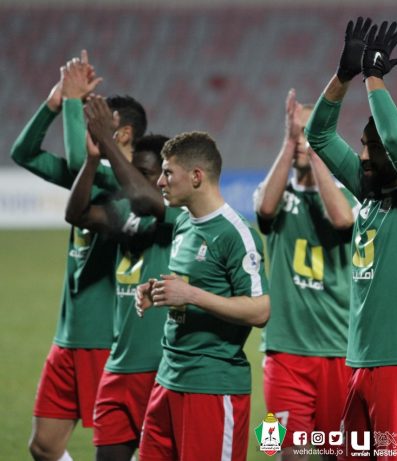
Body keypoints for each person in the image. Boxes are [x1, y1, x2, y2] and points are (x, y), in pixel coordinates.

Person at [306, 18, 397, 461]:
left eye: (372, 146)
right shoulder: (368, 193)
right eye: (362, 145)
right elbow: (318, 135)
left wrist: (374, 77)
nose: (363, 154)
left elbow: (396, 141)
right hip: (362, 363)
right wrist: (343, 76)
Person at [10, 53, 147, 461]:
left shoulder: (132, 187)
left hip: (108, 340)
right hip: (69, 337)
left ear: (122, 133)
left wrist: (72, 102)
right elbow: (24, 153)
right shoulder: (91, 176)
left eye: (99, 121)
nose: (89, 127)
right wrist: (54, 103)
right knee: (44, 446)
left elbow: (75, 159)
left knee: (131, 449)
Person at [135, 131, 270, 461]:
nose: (160, 182)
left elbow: (260, 310)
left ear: (196, 176)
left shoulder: (236, 234)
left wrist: (191, 294)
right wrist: (160, 292)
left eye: (168, 173)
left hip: (212, 387)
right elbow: (192, 287)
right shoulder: (184, 223)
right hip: (168, 379)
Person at [64, 95, 177, 461]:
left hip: (162, 369)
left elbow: (146, 199)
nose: (136, 182)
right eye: (136, 173)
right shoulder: (126, 214)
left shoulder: (178, 218)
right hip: (118, 367)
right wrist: (93, 159)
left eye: (147, 174)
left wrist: (107, 140)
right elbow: (78, 215)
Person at [254, 88, 357, 460]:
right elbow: (264, 211)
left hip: (339, 350)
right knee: (283, 450)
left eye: (309, 133)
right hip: (283, 351)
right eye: (297, 132)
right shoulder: (276, 191)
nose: (301, 140)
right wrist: (289, 142)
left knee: (339, 452)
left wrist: (315, 151)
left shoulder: (351, 196)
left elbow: (342, 221)